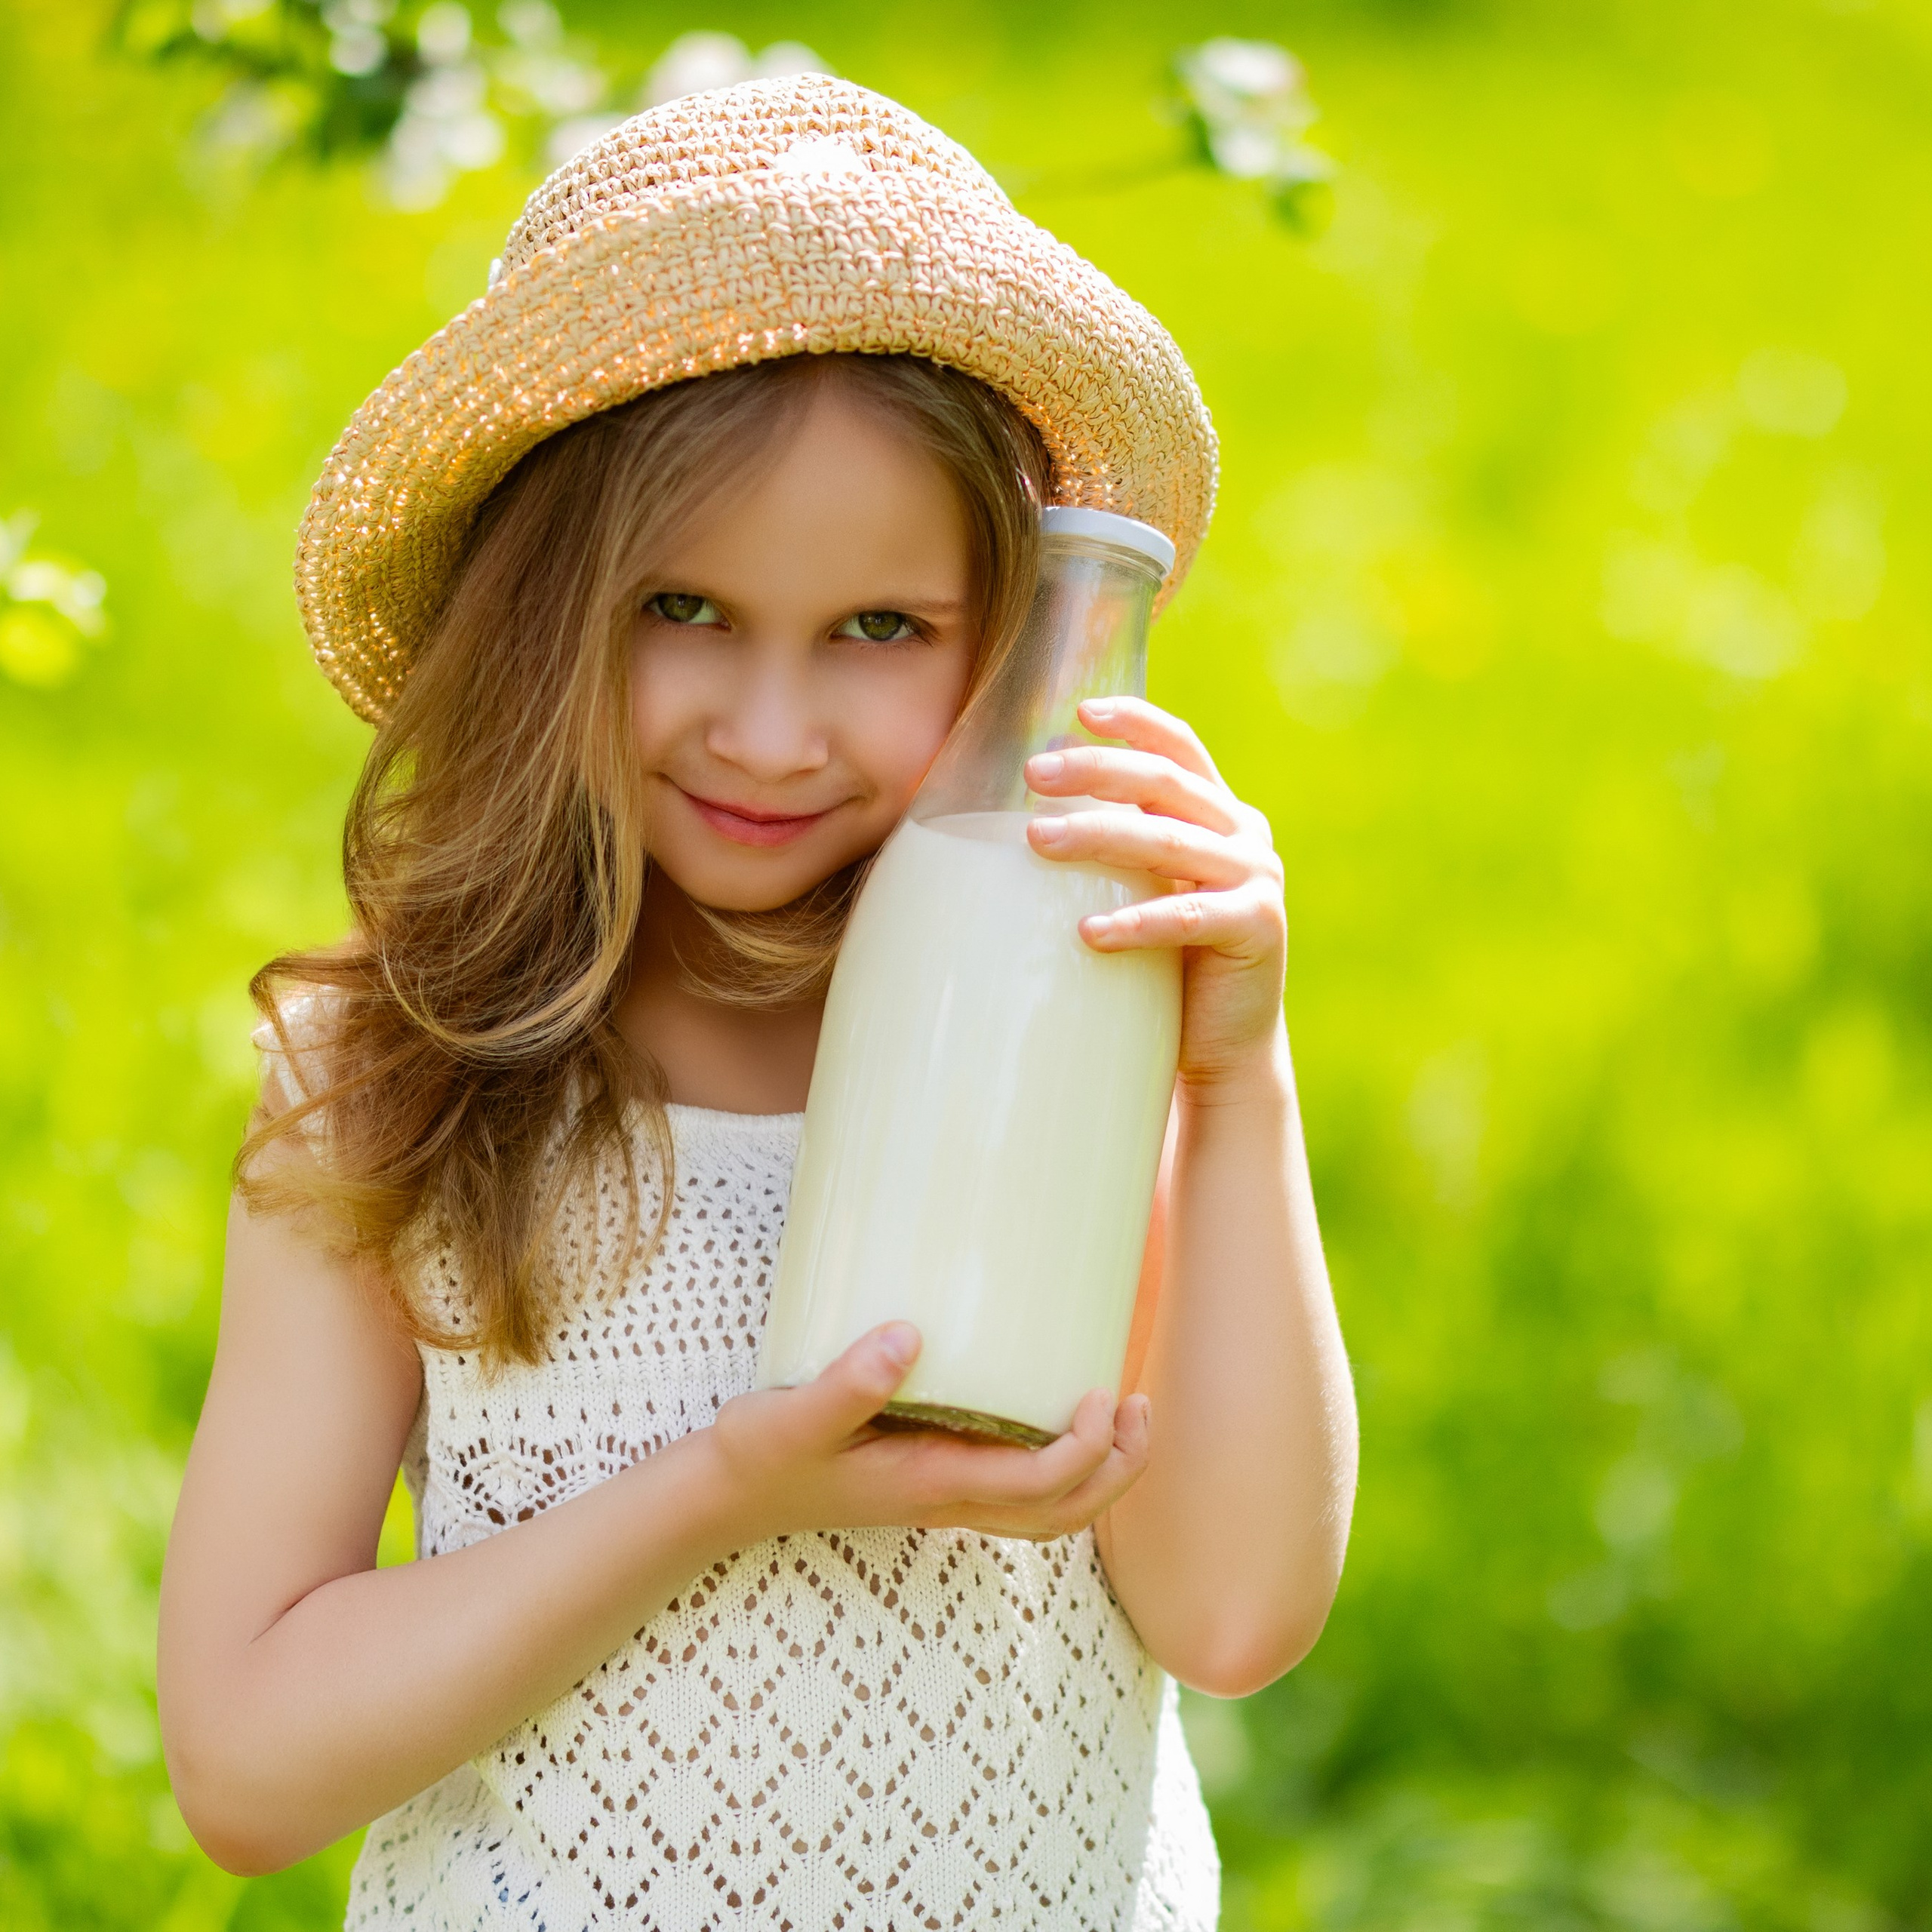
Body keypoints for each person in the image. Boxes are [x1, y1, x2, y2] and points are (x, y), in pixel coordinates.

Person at [156, 76, 1358, 1931]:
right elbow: (244, 1760)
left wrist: (1235, 1070)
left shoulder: (1067, 1027)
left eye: (879, 629)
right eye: (684, 610)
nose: (771, 732)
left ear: (1008, 633)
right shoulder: (400, 1082)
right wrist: (728, 1486)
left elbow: (1231, 1609)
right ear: (544, 608)